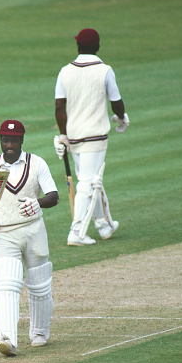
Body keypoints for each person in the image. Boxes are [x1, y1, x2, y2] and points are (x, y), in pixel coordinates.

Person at [0, 120, 59, 357]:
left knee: (39, 285)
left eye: (13, 140)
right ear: (0, 140)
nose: (9, 144)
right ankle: (7, 339)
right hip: (5, 232)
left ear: (22, 140)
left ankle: (40, 332)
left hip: (33, 229)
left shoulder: (37, 163)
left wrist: (37, 202)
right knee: (7, 284)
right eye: (5, 139)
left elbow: (54, 196)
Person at [53, 28, 129, 246]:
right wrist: (122, 117)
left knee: (91, 178)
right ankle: (76, 231)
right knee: (88, 181)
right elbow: (116, 101)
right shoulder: (105, 70)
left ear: (78, 46)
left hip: (75, 136)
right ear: (97, 47)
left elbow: (59, 106)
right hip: (95, 136)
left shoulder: (65, 71)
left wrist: (63, 135)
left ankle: (104, 224)